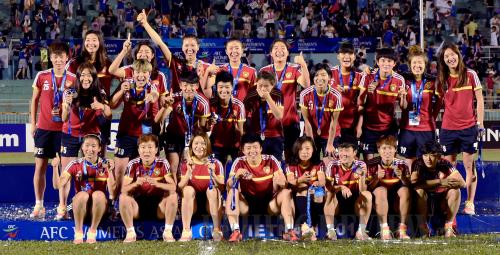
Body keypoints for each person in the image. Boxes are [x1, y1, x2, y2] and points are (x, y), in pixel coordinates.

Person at [55, 63, 112, 219]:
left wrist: (100, 105)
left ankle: (96, 204)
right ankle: (62, 206)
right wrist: (66, 107)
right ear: (78, 77)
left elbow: (108, 113)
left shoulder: (99, 92)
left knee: (94, 170)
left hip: (90, 136)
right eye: (83, 75)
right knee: (66, 170)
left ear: (93, 77)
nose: (86, 78)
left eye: (89, 75)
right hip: (70, 134)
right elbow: (64, 118)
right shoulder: (70, 91)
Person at [29, 42, 77, 219]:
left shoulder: (73, 78)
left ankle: (62, 207)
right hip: (43, 129)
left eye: (61, 56)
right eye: (55, 57)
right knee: (39, 167)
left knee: (65, 171)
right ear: (50, 58)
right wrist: (33, 123)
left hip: (64, 130)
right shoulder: (41, 76)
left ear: (67, 58)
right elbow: (34, 101)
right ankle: (38, 205)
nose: (58, 60)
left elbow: (76, 103)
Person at [437, 42, 484, 215]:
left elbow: (479, 100)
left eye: (452, 54)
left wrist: (480, 123)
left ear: (458, 55)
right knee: (448, 167)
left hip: (468, 128)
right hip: (448, 129)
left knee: (469, 166)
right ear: (444, 60)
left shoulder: (471, 74)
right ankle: (448, 202)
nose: (450, 58)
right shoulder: (442, 78)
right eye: (446, 56)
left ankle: (470, 203)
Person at [226, 133, 297, 242]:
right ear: (243, 150)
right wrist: (236, 175)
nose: (252, 151)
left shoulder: (271, 160)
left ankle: (289, 231)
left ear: (261, 148)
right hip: (247, 205)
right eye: (248, 148)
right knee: (232, 192)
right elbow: (228, 185)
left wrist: (281, 181)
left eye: (255, 147)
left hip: (270, 204)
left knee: (286, 192)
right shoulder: (239, 162)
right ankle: (236, 232)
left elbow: (284, 183)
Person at [110, 60, 160, 199]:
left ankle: (137, 203)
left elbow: (156, 113)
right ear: (133, 73)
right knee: (119, 173)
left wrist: (153, 99)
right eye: (138, 72)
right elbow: (112, 104)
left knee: (140, 174)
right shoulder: (126, 84)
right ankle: (114, 203)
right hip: (124, 134)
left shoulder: (153, 89)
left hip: (143, 138)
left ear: (149, 74)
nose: (141, 75)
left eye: (144, 72)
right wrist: (121, 91)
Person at [55, 134, 115, 244]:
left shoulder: (105, 165)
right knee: (82, 195)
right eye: (87, 145)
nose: (90, 149)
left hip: (99, 209)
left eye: (93, 146)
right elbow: (57, 185)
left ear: (99, 148)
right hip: (80, 208)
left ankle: (92, 231)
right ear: (82, 147)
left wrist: (110, 171)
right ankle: (78, 232)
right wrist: (55, 168)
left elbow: (113, 192)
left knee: (99, 195)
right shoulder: (75, 164)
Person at [119, 134, 178, 242]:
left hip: (158, 206)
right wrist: (135, 183)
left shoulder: (163, 163)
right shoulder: (133, 164)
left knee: (173, 196)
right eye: (143, 147)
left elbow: (173, 187)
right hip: (138, 205)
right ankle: (130, 233)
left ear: (156, 150)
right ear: (138, 150)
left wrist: (158, 184)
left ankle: (168, 232)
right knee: (123, 197)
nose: (146, 151)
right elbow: (123, 189)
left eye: (150, 147)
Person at [260, 39, 310, 162]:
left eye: (283, 48)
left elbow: (306, 84)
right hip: (270, 124)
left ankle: (290, 180)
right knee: (269, 159)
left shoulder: (294, 69)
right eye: (276, 48)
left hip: (290, 122)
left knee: (291, 158)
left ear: (288, 53)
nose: (279, 51)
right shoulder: (264, 71)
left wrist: (303, 64)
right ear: (271, 53)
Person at [137, 9, 209, 93]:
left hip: (198, 105)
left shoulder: (205, 67)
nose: (189, 48)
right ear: (182, 47)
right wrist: (145, 24)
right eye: (186, 45)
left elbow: (208, 94)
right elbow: (160, 43)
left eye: (192, 45)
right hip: (177, 104)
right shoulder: (176, 63)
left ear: (198, 47)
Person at [357, 48, 407, 160]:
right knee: (368, 162)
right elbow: (360, 102)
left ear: (394, 63)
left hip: (388, 127)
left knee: (389, 161)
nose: (386, 64)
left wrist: (403, 96)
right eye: (383, 60)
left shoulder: (399, 80)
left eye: (389, 61)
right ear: (378, 62)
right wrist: (366, 91)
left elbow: (404, 106)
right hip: (369, 127)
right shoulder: (368, 76)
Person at [398, 46, 442, 172]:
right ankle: (409, 190)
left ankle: (423, 190)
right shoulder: (403, 79)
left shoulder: (433, 81)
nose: (417, 65)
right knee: (408, 164)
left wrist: (432, 117)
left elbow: (439, 103)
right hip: (407, 129)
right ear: (410, 64)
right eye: (414, 62)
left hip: (427, 130)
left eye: (420, 62)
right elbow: (403, 105)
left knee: (426, 164)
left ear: (425, 64)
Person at [161, 70, 210, 181]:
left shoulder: (203, 103)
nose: (188, 88)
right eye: (185, 85)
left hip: (191, 137)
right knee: (173, 166)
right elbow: (162, 118)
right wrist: (166, 106)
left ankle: (184, 192)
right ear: (180, 85)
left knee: (186, 166)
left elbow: (202, 128)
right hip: (173, 136)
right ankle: (174, 192)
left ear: (197, 85)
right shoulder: (174, 98)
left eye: (192, 85)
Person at [411, 141, 465, 238]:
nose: (428, 159)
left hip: (440, 201)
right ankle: (423, 228)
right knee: (419, 191)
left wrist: (446, 184)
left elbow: (462, 183)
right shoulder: (418, 163)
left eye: (432, 155)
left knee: (456, 191)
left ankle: (448, 227)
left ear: (439, 157)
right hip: (424, 202)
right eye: (425, 155)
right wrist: (440, 182)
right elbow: (414, 183)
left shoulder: (445, 164)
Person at [178, 131, 225, 241]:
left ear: (207, 145)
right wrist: (188, 173)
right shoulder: (186, 163)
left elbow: (222, 188)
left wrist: (213, 173)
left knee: (213, 189)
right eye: (196, 143)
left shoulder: (216, 163)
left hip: (210, 205)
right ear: (191, 146)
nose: (199, 147)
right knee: (188, 189)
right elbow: (179, 188)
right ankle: (186, 231)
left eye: (203, 143)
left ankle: (217, 230)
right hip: (192, 205)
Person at [324, 141, 372, 241]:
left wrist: (362, 176)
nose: (343, 154)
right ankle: (331, 232)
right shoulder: (333, 165)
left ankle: (361, 232)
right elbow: (327, 188)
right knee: (329, 194)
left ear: (354, 152)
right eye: (341, 150)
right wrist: (341, 187)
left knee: (367, 195)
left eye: (347, 150)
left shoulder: (360, 165)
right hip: (337, 203)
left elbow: (362, 191)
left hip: (355, 202)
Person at [366, 135, 411, 240]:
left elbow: (410, 187)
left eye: (390, 148)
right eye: (384, 148)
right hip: (378, 200)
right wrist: (377, 178)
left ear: (395, 149)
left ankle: (402, 230)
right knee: (381, 190)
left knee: (405, 191)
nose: (387, 151)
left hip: (396, 200)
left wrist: (402, 177)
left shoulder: (402, 164)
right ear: (379, 150)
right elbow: (368, 188)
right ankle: (384, 230)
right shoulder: (371, 164)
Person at [300, 64, 343, 161]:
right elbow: (307, 121)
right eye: (316, 75)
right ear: (312, 78)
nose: (320, 78)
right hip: (312, 134)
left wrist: (330, 144)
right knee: (311, 163)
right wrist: (311, 143)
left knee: (330, 163)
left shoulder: (336, 95)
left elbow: (334, 121)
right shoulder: (305, 94)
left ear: (329, 77)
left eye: (323, 74)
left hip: (330, 135)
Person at [285, 136, 325, 241]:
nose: (304, 152)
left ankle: (314, 225)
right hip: (298, 195)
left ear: (313, 150)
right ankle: (304, 227)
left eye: (307, 148)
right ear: (296, 150)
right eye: (301, 149)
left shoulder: (318, 164)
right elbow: (291, 181)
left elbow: (322, 181)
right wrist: (300, 179)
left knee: (319, 192)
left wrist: (317, 183)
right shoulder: (291, 164)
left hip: (313, 193)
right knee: (302, 188)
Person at [244, 71, 284, 161]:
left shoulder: (278, 94)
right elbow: (244, 115)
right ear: (256, 83)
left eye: (266, 86)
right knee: (258, 163)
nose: (262, 88)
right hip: (256, 136)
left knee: (277, 164)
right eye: (260, 85)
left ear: (272, 85)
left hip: (275, 136)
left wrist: (268, 98)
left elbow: (279, 115)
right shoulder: (251, 93)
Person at [208, 71, 245, 166]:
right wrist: (209, 123)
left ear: (232, 87)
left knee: (236, 171)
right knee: (217, 171)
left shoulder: (238, 105)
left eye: (227, 87)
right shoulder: (210, 104)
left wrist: (242, 147)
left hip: (234, 145)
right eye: (220, 87)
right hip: (216, 145)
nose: (224, 90)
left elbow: (241, 131)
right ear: (216, 87)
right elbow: (205, 128)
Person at [330, 42, 364, 143]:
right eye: (343, 53)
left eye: (350, 53)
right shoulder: (329, 73)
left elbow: (363, 104)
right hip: (334, 124)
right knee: (334, 157)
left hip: (352, 125)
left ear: (354, 56)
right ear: (338, 56)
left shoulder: (360, 75)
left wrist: (359, 126)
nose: (346, 56)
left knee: (351, 156)